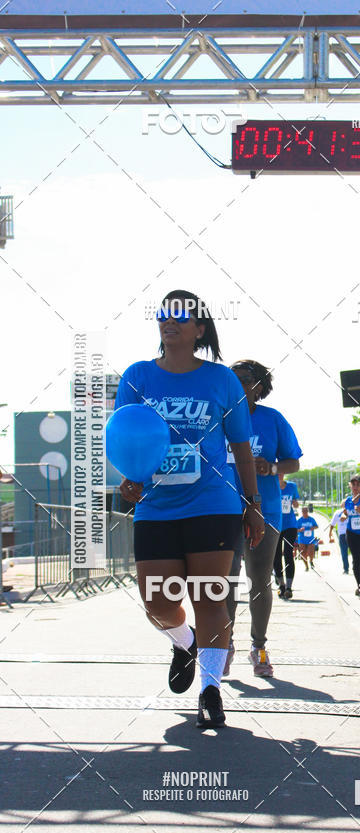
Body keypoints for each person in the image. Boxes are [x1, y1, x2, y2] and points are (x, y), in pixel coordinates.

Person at [116, 289, 264, 730]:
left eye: (181, 315)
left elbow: (240, 445)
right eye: (164, 314)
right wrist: (128, 477)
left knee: (210, 597)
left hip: (212, 504)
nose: (170, 321)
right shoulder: (137, 376)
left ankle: (210, 690)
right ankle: (185, 642)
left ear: (199, 329)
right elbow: (127, 436)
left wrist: (252, 503)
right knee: (157, 603)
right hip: (156, 507)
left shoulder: (221, 380)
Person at [226, 360, 302, 678]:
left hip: (266, 509)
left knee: (259, 580)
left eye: (245, 379)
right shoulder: (219, 418)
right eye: (232, 379)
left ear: (260, 386)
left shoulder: (273, 419)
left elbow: (293, 463)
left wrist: (270, 468)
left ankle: (258, 646)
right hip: (223, 507)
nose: (238, 384)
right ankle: (222, 644)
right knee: (224, 581)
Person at [273, 474, 300, 599]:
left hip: (290, 524)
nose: (280, 474)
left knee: (289, 553)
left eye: (282, 471)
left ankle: (289, 587)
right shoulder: (271, 485)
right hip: (276, 524)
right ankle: (281, 585)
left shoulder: (291, 486)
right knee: (276, 555)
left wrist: (295, 503)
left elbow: (296, 504)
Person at [328, 505, 350, 575]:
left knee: (352, 552)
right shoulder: (337, 513)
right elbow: (332, 524)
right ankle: (346, 568)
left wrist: (330, 532)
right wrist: (330, 532)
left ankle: (350, 568)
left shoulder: (351, 512)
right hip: (343, 535)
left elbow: (332, 524)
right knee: (344, 553)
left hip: (351, 534)